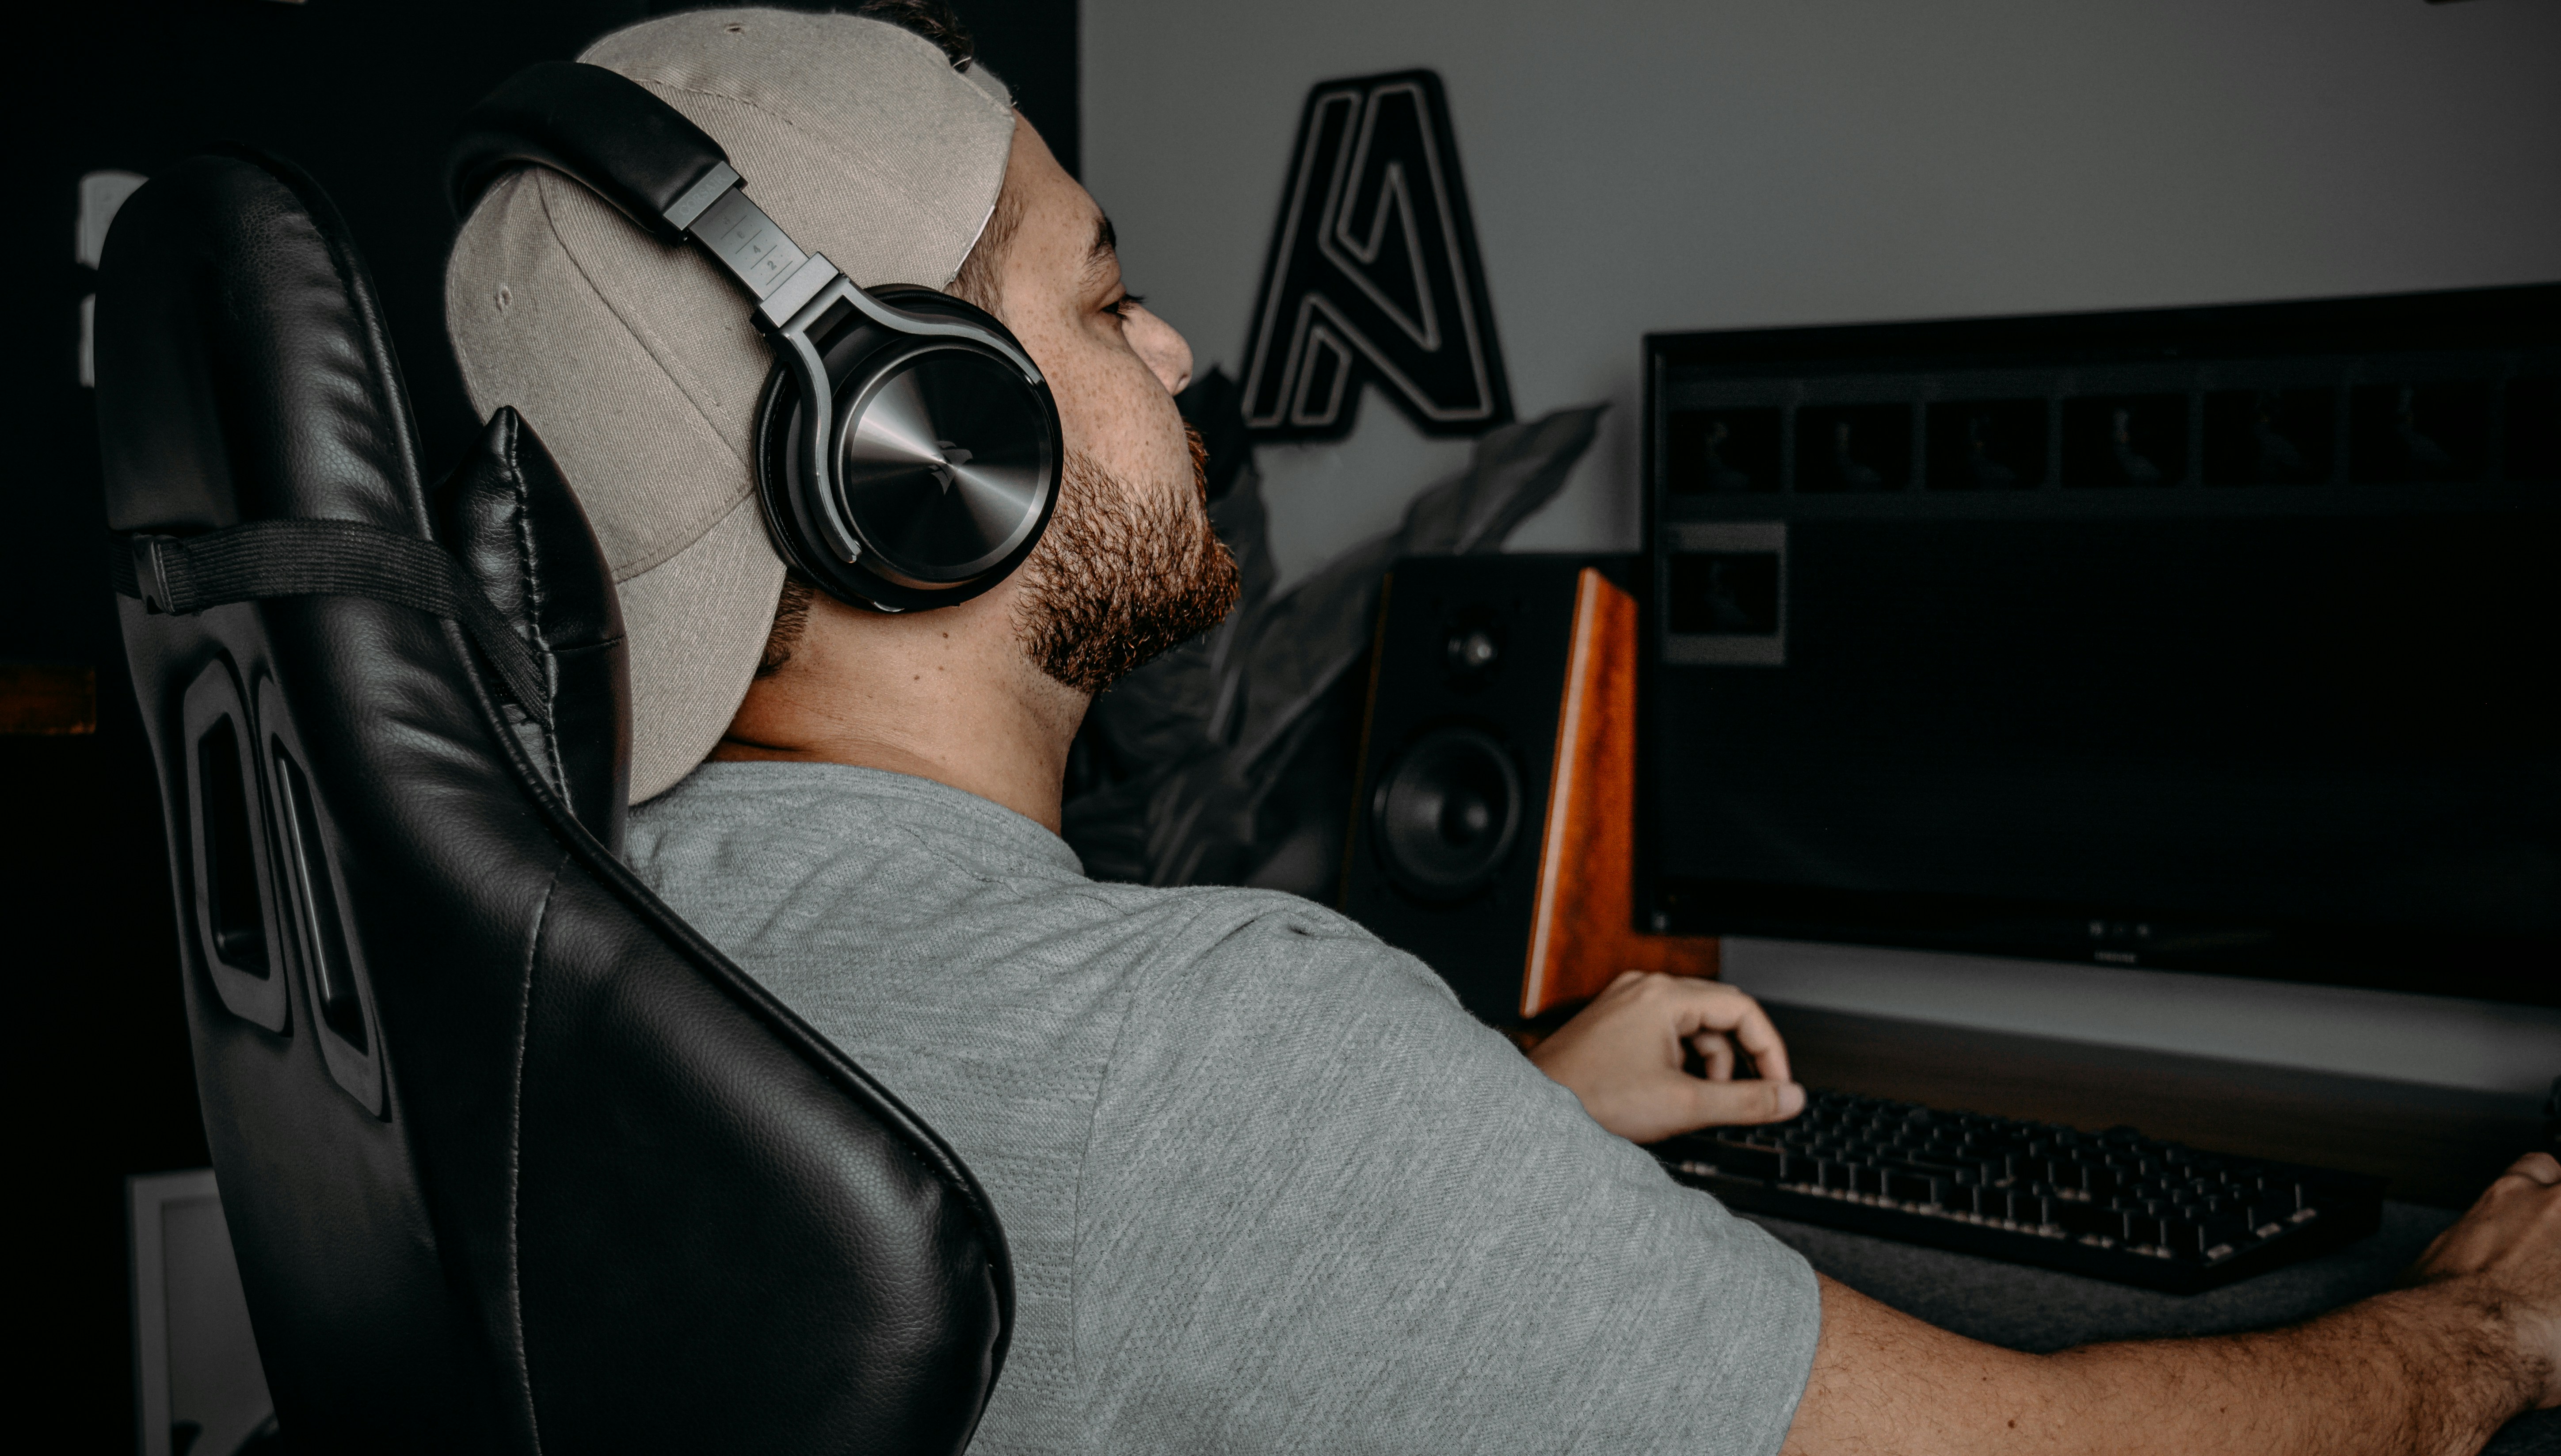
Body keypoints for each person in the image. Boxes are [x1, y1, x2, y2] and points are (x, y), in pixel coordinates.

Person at [445, 7, 2561, 1453]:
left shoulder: (582, 925)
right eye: (1100, 302)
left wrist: (1484, 1128)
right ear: (919, 445)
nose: (1182, 355)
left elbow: (1135, 1215)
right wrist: (2473, 1334)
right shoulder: (1190, 1052)